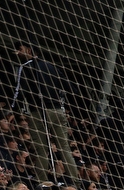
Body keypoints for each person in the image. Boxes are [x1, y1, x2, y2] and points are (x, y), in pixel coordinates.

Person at [12, 43, 78, 182]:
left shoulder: (26, 67)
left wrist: (13, 109)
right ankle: (75, 183)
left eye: (19, 49)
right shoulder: (51, 66)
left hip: (39, 112)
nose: (16, 52)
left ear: (29, 50)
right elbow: (70, 87)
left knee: (41, 150)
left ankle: (43, 183)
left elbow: (19, 90)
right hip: (58, 111)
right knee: (64, 149)